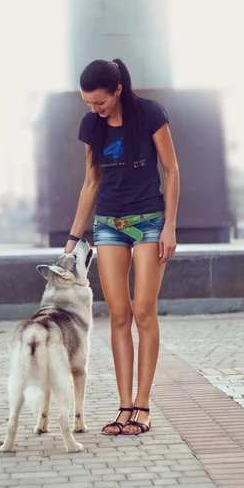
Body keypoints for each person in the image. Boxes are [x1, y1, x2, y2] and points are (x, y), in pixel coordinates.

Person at [64, 58, 179, 435]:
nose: (94, 110)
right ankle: (124, 406)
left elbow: (171, 170)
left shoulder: (149, 114)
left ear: (117, 90)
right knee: (118, 316)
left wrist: (170, 227)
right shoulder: (91, 125)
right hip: (108, 224)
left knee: (144, 311)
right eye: (87, 104)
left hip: (149, 221)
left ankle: (144, 406)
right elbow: (91, 182)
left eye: (99, 102)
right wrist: (72, 240)